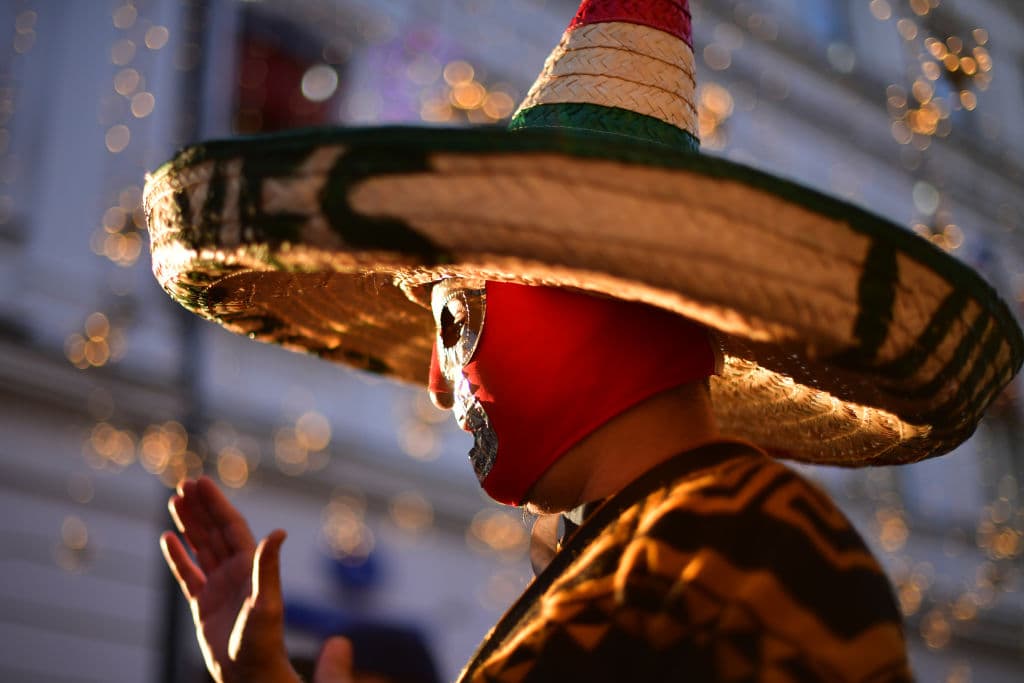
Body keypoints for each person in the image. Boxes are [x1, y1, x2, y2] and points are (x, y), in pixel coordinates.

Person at [148, 1, 1023, 681]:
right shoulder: (650, 547)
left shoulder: (740, 551)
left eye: (453, 318)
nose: (439, 387)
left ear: (580, 292)